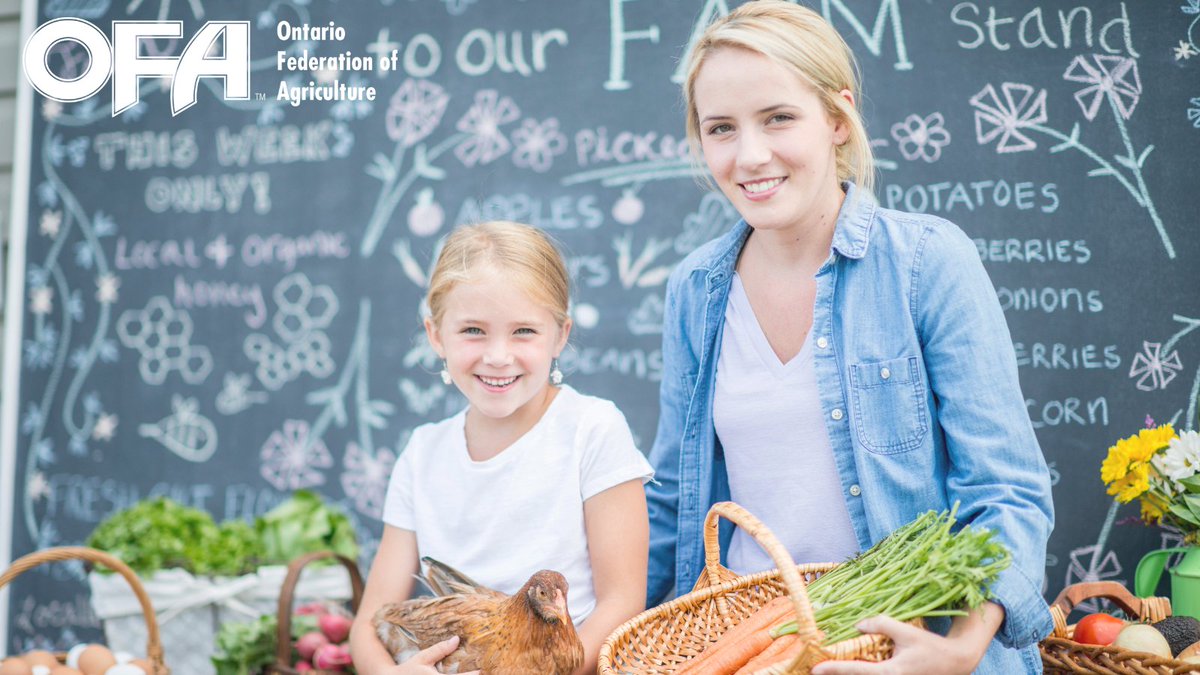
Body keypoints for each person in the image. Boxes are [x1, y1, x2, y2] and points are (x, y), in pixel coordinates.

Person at [645, 3, 1054, 674]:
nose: (750, 155)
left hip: (910, 650)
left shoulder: (926, 262)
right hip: (754, 651)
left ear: (837, 117)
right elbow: (671, 499)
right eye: (721, 128)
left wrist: (961, 647)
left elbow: (1006, 490)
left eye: (778, 117)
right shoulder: (696, 289)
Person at [349, 220, 655, 675]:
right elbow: (368, 624)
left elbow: (623, 600)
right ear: (436, 337)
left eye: (523, 332)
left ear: (560, 335)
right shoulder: (423, 454)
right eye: (473, 330)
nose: (497, 355)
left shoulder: (591, 430)